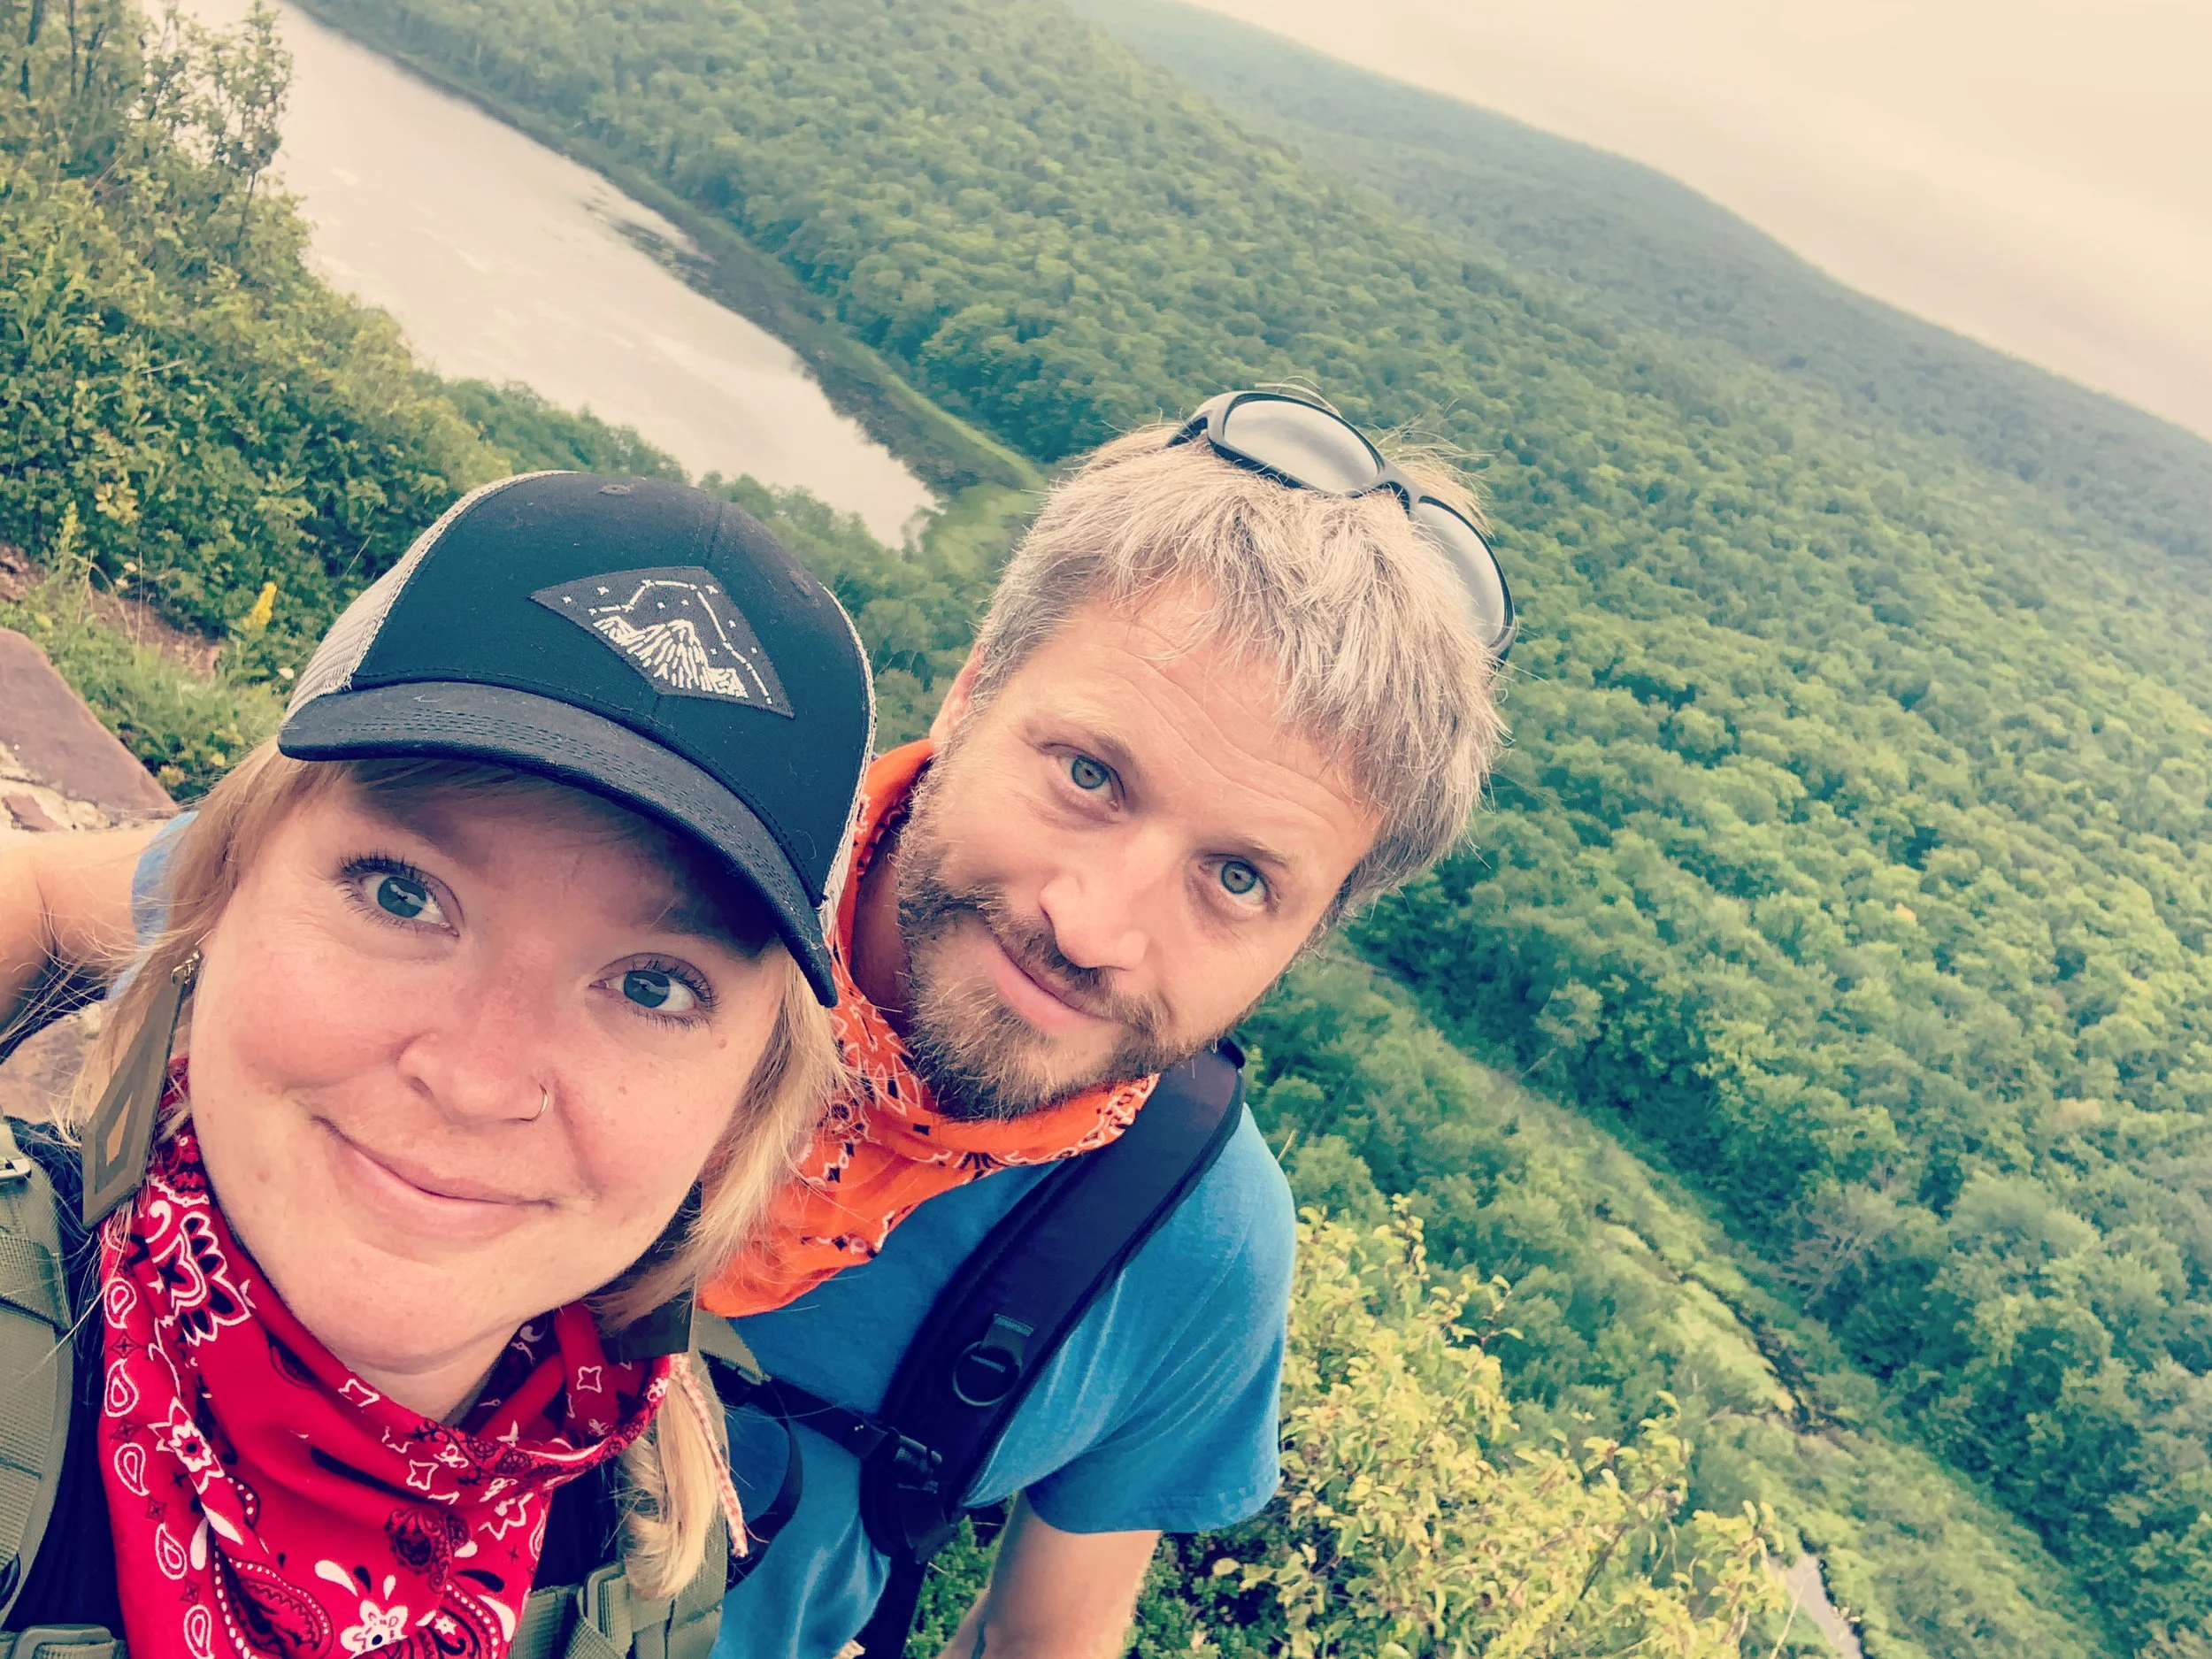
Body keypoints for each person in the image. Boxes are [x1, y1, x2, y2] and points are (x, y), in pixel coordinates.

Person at [2, 390, 1514, 1659]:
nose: (1095, 921)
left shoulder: (1187, 1244)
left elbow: (1048, 1633)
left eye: (1239, 879)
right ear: (980, 685)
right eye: (1091, 775)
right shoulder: (668, 839)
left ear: (1308, 937)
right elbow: (95, 904)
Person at [0, 471, 873, 1658]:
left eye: (653, 984)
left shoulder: (651, 1555)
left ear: (738, 1115)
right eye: (404, 893)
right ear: (216, 895)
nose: (476, 1075)